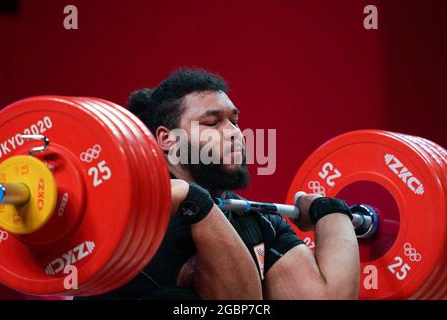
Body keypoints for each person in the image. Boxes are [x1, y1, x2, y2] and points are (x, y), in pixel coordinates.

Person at [75, 68, 359, 300]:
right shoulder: (130, 220)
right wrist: (197, 203)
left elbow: (324, 297)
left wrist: (331, 212)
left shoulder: (258, 220)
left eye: (234, 121)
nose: (234, 133)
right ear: (167, 139)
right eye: (212, 124)